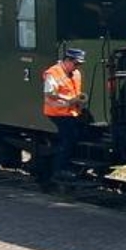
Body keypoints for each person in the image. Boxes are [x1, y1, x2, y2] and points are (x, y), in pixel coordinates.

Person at [41, 47, 87, 185]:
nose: (77, 67)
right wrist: (69, 100)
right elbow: (49, 94)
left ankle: (67, 167)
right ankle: (60, 170)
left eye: (79, 64)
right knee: (68, 138)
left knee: (74, 136)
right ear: (67, 60)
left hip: (71, 112)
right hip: (57, 112)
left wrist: (78, 100)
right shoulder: (53, 73)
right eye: (76, 63)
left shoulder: (76, 73)